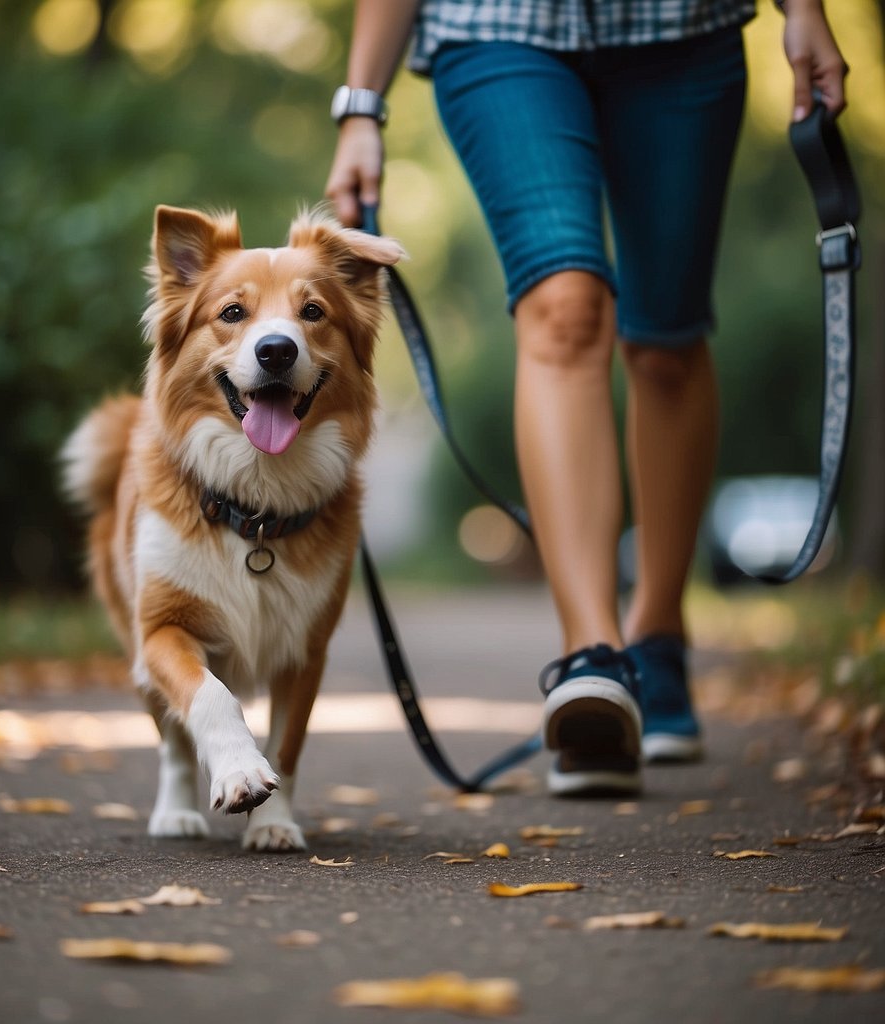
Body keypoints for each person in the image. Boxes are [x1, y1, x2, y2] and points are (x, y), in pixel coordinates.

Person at [324, 0, 848, 797]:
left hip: (682, 30)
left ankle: (659, 637)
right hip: (497, 29)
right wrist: (362, 102)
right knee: (564, 309)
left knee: (666, 343)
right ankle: (593, 661)